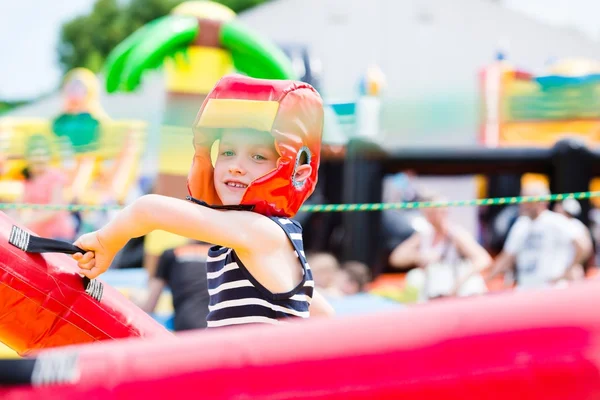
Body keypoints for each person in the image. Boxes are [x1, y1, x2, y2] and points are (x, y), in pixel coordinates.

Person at [73, 75, 334, 328]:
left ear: (296, 173)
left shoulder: (262, 232)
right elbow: (321, 313)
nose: (236, 167)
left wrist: (106, 240)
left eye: (257, 157)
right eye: (228, 152)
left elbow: (148, 209)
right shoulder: (259, 241)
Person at [389, 192, 491, 300]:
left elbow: (483, 259)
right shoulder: (425, 234)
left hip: (457, 288)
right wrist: (419, 257)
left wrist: (458, 283)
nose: (431, 216)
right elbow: (396, 258)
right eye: (428, 212)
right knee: (414, 277)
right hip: (434, 290)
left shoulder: (455, 234)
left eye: (436, 212)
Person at [486, 183, 585, 289]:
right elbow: (507, 256)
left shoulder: (556, 221)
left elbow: (583, 245)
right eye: (521, 198)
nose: (522, 203)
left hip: (551, 289)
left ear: (541, 202)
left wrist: (566, 272)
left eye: (527, 200)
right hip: (526, 288)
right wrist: (486, 280)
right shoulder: (521, 224)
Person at [140, 241, 211, 331]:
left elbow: (149, 306)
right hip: (225, 329)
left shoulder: (171, 254)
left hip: (188, 328)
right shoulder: (227, 254)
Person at [16, 135, 76, 241]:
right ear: (28, 158)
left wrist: (27, 221)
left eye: (43, 155)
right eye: (36, 155)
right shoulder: (28, 178)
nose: (40, 158)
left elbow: (54, 208)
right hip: (38, 234)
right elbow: (19, 205)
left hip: (57, 235)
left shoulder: (56, 176)